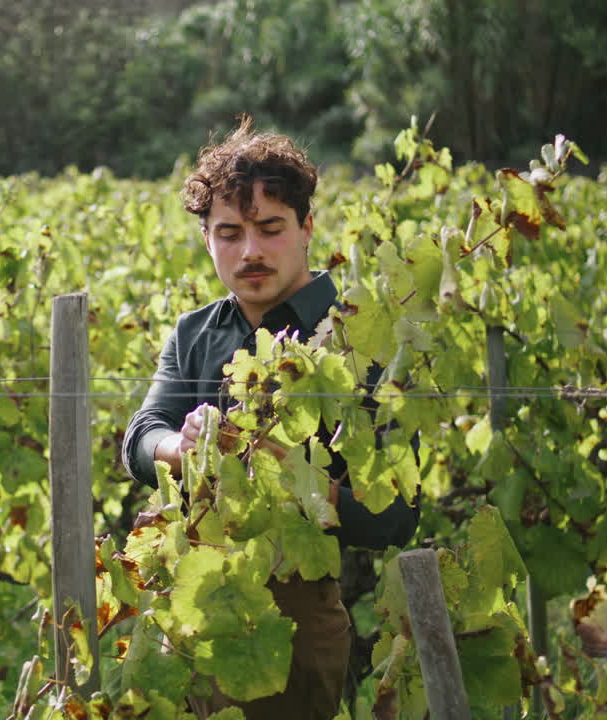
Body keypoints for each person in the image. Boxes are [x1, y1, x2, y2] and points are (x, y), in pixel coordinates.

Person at [122, 117, 419, 719]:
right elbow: (139, 438)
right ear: (206, 238)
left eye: (270, 228)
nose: (251, 251)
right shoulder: (194, 333)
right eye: (229, 233)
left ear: (307, 227)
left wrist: (299, 481)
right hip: (191, 610)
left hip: (296, 626)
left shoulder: (360, 334)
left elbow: (397, 517)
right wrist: (185, 447)